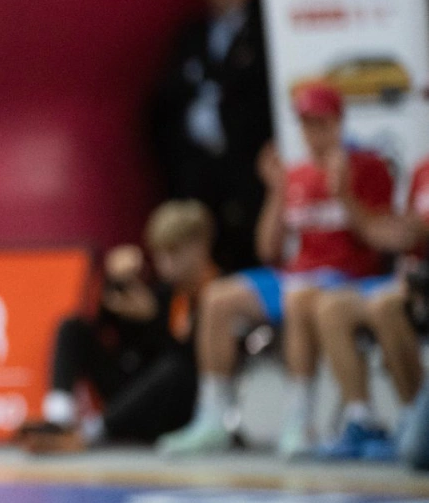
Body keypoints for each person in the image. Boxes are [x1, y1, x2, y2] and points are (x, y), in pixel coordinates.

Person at [157, 81, 394, 457]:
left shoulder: (369, 166)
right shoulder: (296, 174)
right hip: (297, 273)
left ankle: (300, 419)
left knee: (299, 297)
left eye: (320, 122)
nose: (312, 132)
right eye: (306, 123)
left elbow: (381, 237)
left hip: (347, 276)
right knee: (217, 297)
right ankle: (212, 417)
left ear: (338, 122)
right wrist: (277, 192)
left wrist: (344, 195)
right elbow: (268, 250)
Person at [17, 200, 218, 453]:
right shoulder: (164, 291)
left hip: (178, 406)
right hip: (133, 395)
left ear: (199, 245)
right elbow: (115, 335)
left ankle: (87, 435)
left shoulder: (218, 294)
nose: (165, 263)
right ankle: (59, 419)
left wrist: (153, 319)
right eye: (159, 254)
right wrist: (113, 282)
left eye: (173, 252)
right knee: (72, 327)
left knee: (174, 368)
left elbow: (192, 365)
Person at [148, 0, 271, 274]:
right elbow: (169, 88)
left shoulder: (263, 30)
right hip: (198, 159)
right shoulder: (193, 33)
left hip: (245, 154)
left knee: (245, 228)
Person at [311, 154, 428, 459]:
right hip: (412, 280)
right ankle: (361, 419)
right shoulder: (422, 169)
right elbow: (399, 235)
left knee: (385, 305)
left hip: (418, 286)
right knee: (332, 306)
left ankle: (414, 416)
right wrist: (347, 199)